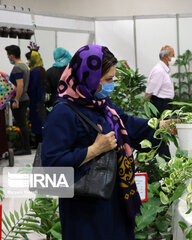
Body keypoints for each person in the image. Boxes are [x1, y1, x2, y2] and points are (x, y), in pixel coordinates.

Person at [41, 45, 173, 240]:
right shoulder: (64, 113)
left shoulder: (101, 104)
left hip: (114, 199)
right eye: (108, 79)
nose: (112, 84)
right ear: (89, 78)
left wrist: (161, 125)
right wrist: (94, 150)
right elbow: (51, 167)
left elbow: (127, 123)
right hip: (86, 210)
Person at [5, 45, 31, 155]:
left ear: (12, 55)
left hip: (19, 100)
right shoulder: (25, 66)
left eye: (8, 55)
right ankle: (24, 147)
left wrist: (16, 100)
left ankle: (25, 148)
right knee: (23, 124)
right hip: (25, 98)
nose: (8, 57)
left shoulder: (17, 68)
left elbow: (20, 85)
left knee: (22, 125)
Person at [145, 45, 176, 116]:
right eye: (173, 55)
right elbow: (150, 91)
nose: (174, 57)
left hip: (166, 104)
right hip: (160, 105)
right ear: (166, 57)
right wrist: (145, 109)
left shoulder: (166, 70)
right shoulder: (159, 70)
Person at [25, 46, 47, 146]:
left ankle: (39, 143)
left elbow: (32, 86)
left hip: (35, 100)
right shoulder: (42, 70)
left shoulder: (34, 72)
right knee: (41, 119)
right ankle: (41, 141)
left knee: (36, 120)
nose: (28, 61)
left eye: (29, 59)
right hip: (41, 99)